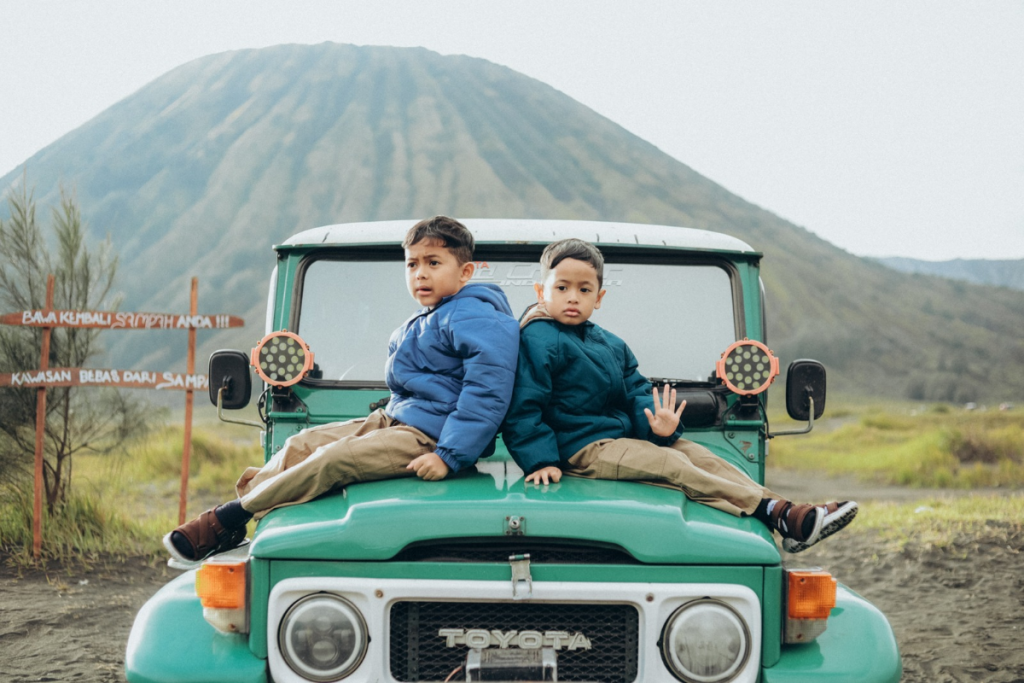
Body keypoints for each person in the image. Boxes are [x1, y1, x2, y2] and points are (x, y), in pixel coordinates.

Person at [165, 216, 520, 563]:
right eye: (412, 264)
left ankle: (228, 517)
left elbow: (486, 393)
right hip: (396, 417)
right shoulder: (431, 314)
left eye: (433, 262)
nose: (420, 273)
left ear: (466, 272)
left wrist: (448, 456)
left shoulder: (476, 317)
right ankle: (246, 517)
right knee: (299, 444)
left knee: (333, 460)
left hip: (433, 436)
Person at [501, 238, 857, 553]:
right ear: (540, 292)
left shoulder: (609, 342)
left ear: (599, 297)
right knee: (670, 464)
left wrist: (660, 425)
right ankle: (774, 513)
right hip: (579, 448)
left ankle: (791, 515)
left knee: (700, 456)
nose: (573, 298)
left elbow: (637, 389)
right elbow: (524, 405)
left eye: (584, 290)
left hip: (621, 438)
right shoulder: (537, 339)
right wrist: (541, 460)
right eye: (562, 288)